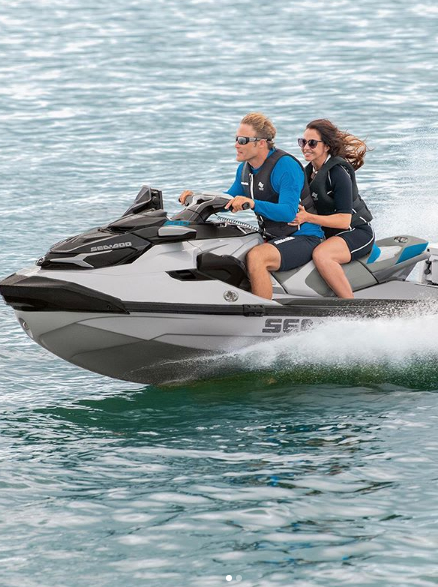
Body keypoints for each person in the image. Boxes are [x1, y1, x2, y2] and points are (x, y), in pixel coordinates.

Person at [179, 112, 324, 300]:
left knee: (257, 257)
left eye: (242, 140)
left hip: (304, 236)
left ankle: (261, 312)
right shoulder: (245, 169)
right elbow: (229, 199)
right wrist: (197, 198)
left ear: (261, 143)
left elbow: (289, 212)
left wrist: (253, 203)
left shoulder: (285, 166)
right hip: (273, 236)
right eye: (236, 139)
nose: (236, 145)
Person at [290, 119, 374, 299]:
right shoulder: (308, 172)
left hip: (356, 232)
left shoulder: (338, 173)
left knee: (322, 255)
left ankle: (349, 306)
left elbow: (344, 220)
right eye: (302, 142)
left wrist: (307, 218)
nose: (305, 147)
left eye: (312, 143)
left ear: (326, 146)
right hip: (329, 234)